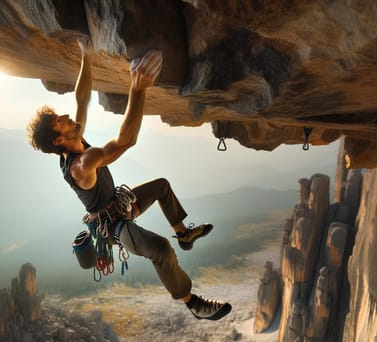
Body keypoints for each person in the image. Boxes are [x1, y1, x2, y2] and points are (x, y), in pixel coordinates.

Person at [27, 37, 232, 321]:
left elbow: (81, 98)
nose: (65, 116)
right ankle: (191, 301)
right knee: (160, 249)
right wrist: (138, 87)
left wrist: (85, 55)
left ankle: (184, 234)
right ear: (59, 138)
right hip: (113, 228)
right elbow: (125, 141)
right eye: (59, 121)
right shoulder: (81, 165)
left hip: (118, 204)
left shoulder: (74, 142)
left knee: (161, 186)